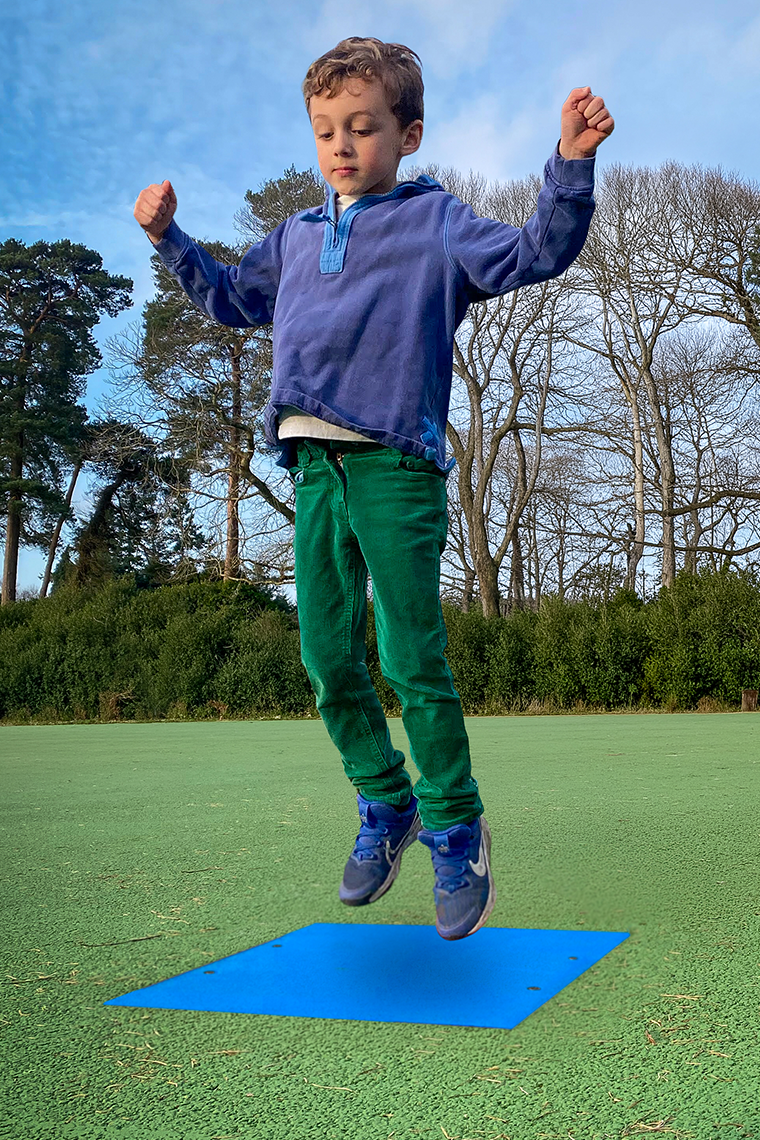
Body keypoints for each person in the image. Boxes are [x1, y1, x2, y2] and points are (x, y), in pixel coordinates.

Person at [133, 37, 614, 941]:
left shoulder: (436, 225)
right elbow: (232, 299)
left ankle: (455, 828)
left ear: (409, 133)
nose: (342, 146)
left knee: (409, 658)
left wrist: (570, 167)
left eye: (362, 127)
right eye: (325, 132)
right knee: (326, 660)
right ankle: (384, 803)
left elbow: (533, 255)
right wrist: (169, 239)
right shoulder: (295, 238)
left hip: (395, 465)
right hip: (313, 470)